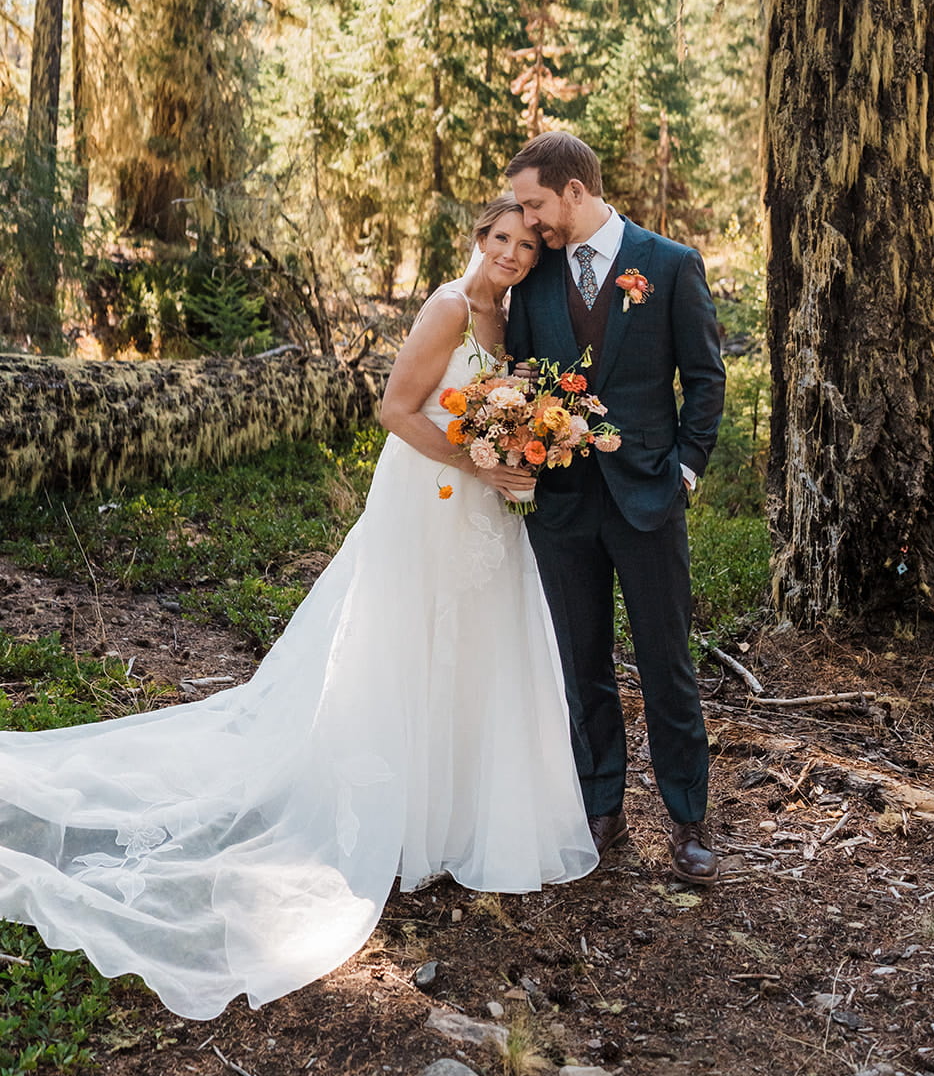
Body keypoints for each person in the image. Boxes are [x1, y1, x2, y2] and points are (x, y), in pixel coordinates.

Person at [0, 197, 596, 1021]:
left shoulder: (511, 318)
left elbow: (513, 410)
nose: (513, 254)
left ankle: (460, 815)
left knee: (482, 647)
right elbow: (395, 410)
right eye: (501, 239)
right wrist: (477, 455)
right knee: (409, 639)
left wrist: (522, 447)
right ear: (478, 239)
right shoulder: (448, 307)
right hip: (427, 501)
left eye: (527, 245)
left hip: (484, 509)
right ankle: (396, 809)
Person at [505, 133, 726, 883]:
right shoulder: (533, 282)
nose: (528, 220)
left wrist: (685, 473)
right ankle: (600, 807)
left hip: (648, 500)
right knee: (581, 664)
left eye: (534, 203)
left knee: (667, 664)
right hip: (562, 508)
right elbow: (522, 377)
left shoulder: (667, 265)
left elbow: (704, 379)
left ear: (573, 190)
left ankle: (688, 818)